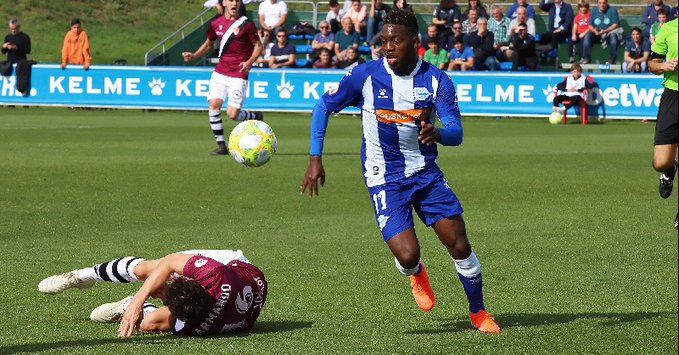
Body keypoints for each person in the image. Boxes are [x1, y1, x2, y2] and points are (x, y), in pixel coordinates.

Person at [300, 9, 501, 334]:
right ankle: (417, 273)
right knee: (408, 255)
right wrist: (314, 158)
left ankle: (478, 312)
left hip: (425, 173)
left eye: (397, 40)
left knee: (459, 244)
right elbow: (324, 106)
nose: (388, 47)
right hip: (384, 176)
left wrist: (437, 133)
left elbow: (456, 132)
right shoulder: (364, 76)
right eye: (384, 41)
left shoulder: (437, 80)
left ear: (415, 42)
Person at [37, 249, 267, 337]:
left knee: (148, 324)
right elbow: (169, 262)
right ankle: (83, 275)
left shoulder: (194, 328)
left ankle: (124, 306)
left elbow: (156, 319)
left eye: (161, 299)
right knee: (144, 270)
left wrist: (133, 306)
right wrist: (141, 299)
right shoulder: (216, 273)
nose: (157, 296)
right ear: (195, 282)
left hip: (232, 295)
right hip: (238, 267)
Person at [183, 0, 264, 155]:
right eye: (231, 0)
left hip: (238, 73)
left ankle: (255, 116)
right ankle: (221, 146)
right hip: (220, 72)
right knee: (214, 105)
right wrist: (193, 55)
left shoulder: (247, 24)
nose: (234, 3)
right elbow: (208, 44)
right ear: (224, 3)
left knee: (233, 115)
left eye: (237, 1)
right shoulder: (216, 23)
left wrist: (249, 62)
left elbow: (258, 46)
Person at [648, 18, 678, 229]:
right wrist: (664, 65)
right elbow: (652, 63)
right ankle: (669, 170)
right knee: (660, 162)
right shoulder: (668, 28)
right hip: (673, 98)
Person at [582, 0, 622, 64]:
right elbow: (590, 26)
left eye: (603, 3)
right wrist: (594, 31)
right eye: (600, 3)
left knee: (613, 37)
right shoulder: (594, 11)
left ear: (606, 3)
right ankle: (586, 58)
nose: (602, 5)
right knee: (587, 36)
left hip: (608, 32)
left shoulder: (612, 10)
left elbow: (616, 24)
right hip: (596, 33)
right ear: (597, 3)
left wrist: (605, 31)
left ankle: (612, 59)